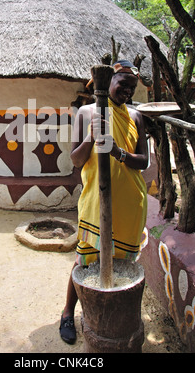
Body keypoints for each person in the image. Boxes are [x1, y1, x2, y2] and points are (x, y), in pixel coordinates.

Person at [59, 59, 149, 344]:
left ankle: (108, 316)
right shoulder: (86, 112)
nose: (127, 92)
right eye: (123, 84)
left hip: (129, 203)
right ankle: (67, 314)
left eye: (132, 88)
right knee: (85, 260)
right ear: (108, 81)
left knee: (121, 263)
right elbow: (75, 160)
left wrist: (118, 152)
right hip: (95, 201)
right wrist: (92, 138)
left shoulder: (135, 117)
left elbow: (143, 161)